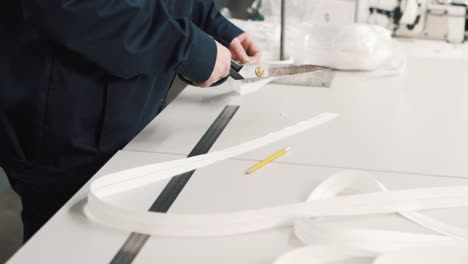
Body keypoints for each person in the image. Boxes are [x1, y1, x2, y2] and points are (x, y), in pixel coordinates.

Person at [0, 0, 261, 242]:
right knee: (69, 241)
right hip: (66, 123)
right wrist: (186, 48)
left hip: (126, 116)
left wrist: (214, 27)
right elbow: (75, 7)